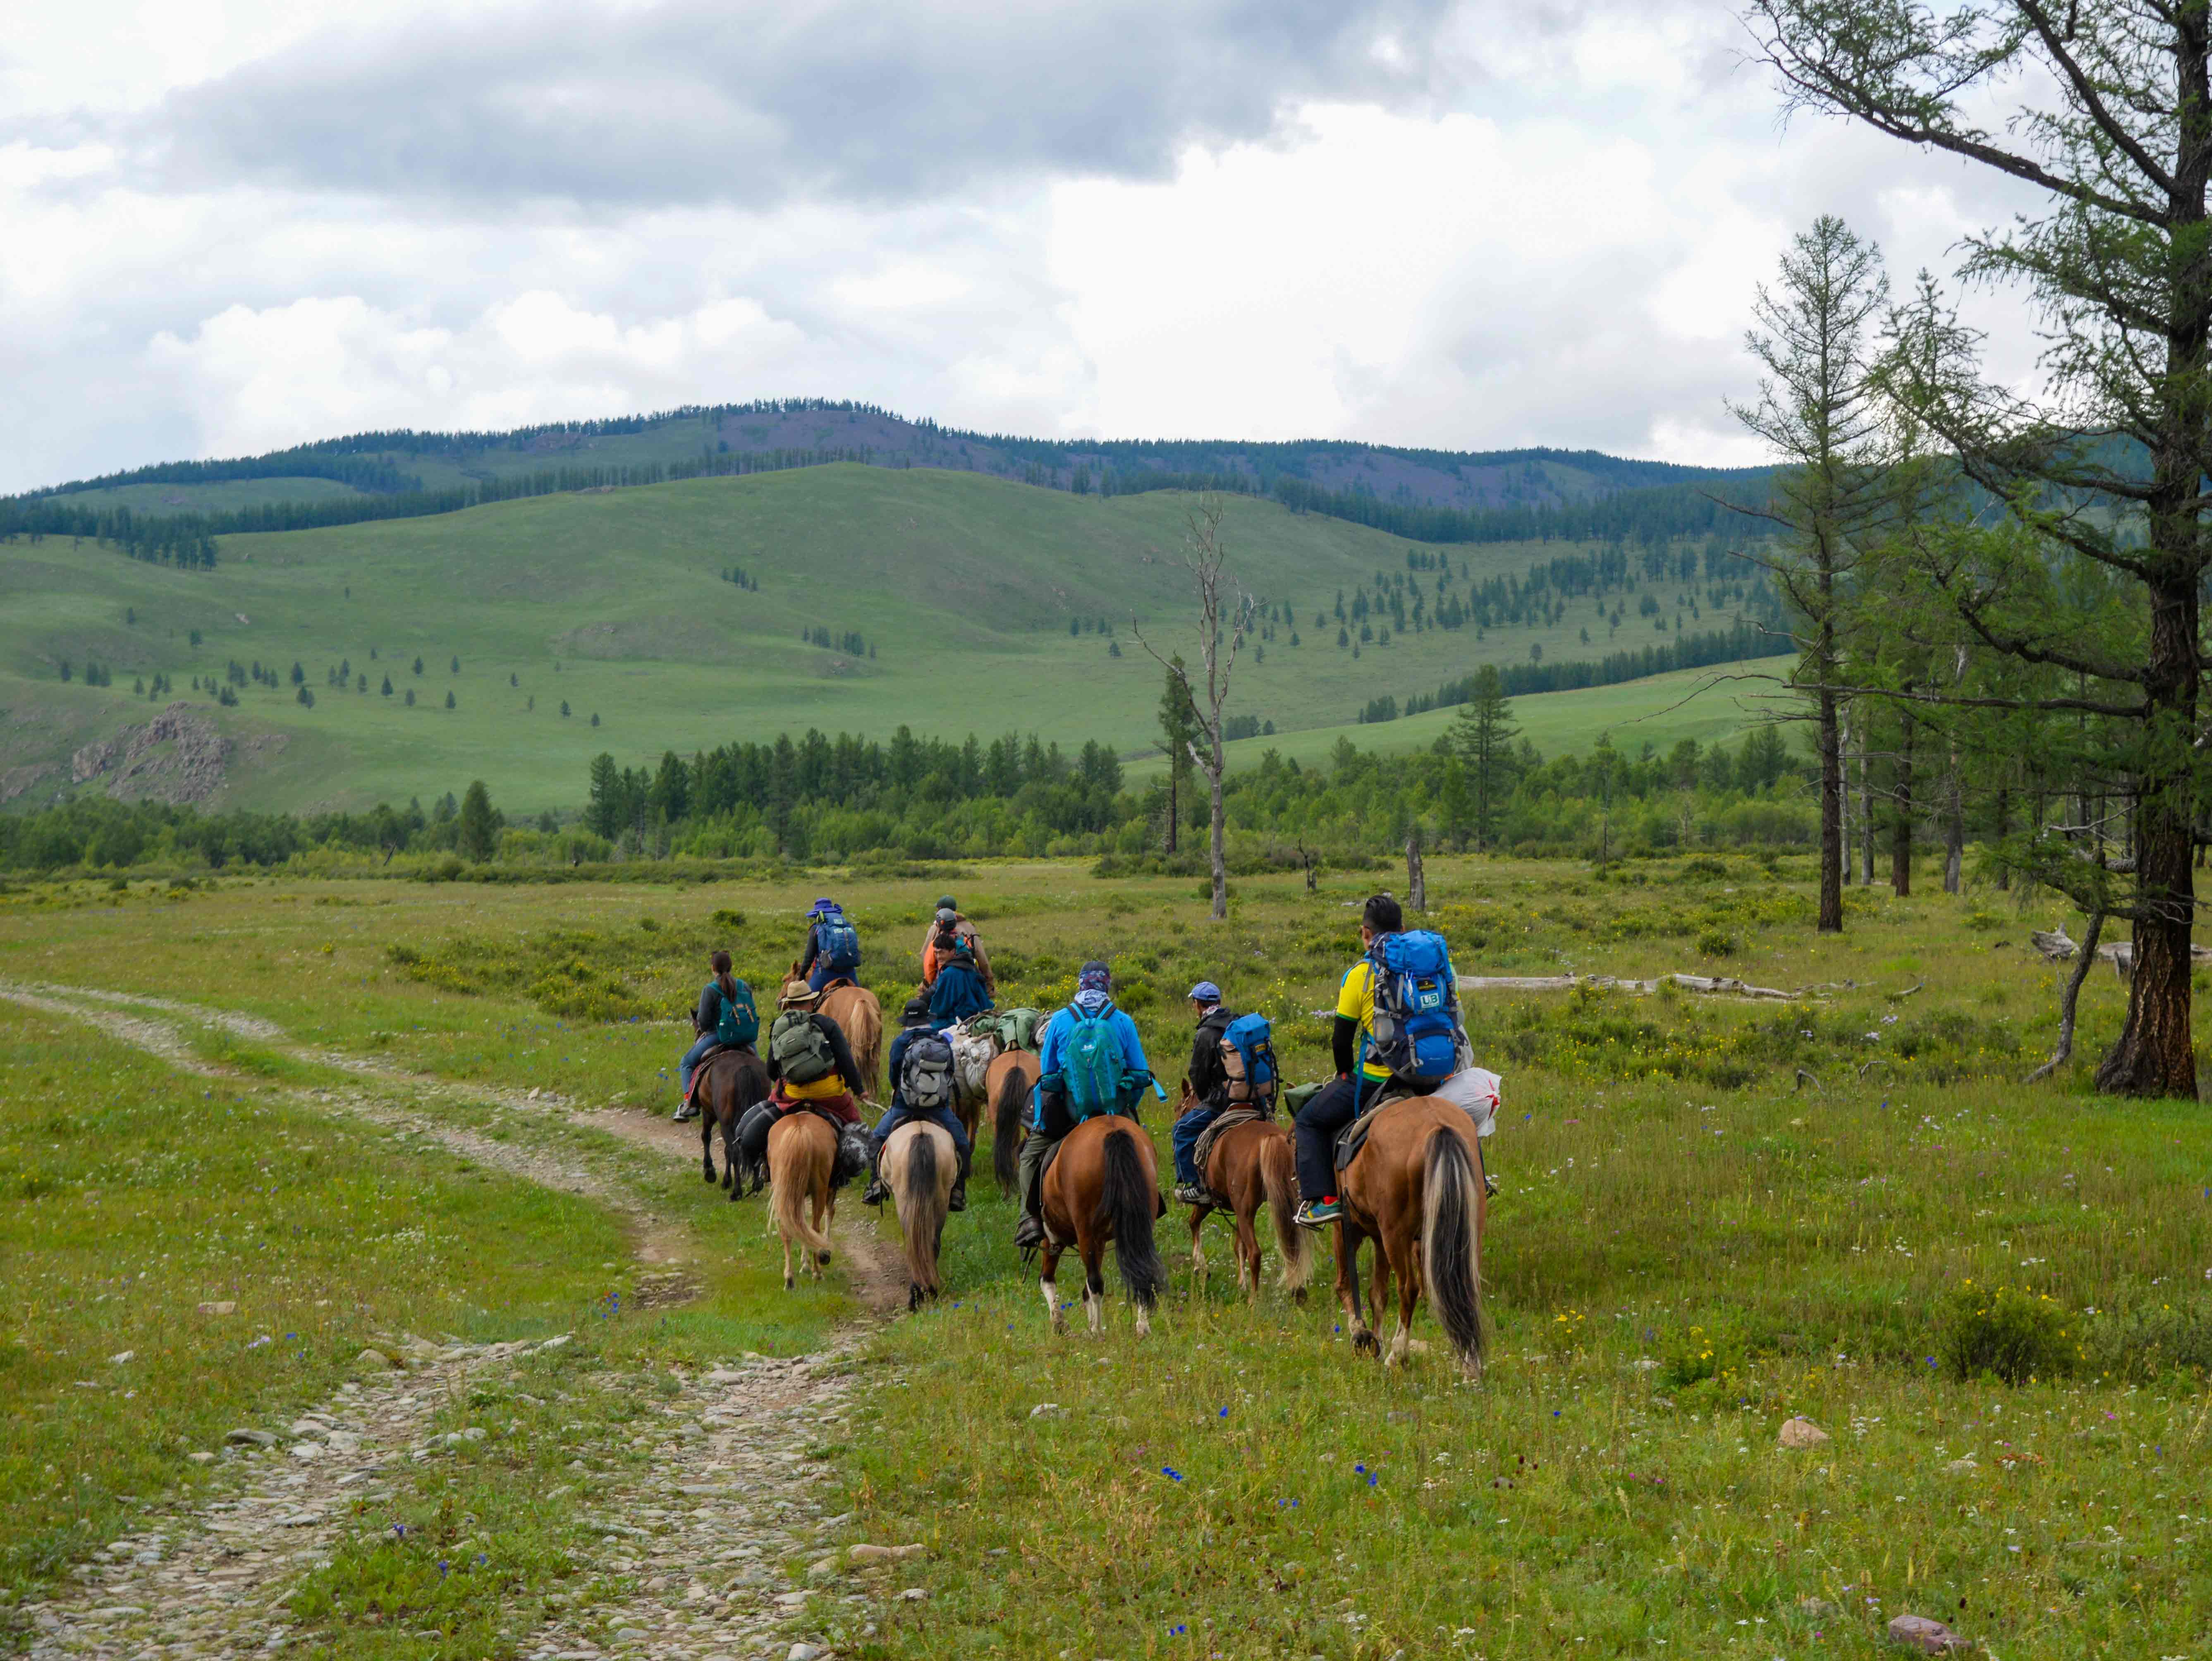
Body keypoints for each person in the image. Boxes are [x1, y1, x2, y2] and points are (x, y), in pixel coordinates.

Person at [1292, 893, 1453, 1228]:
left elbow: (1341, 1039)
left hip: (1378, 1080)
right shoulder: (1436, 967)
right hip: (1434, 1076)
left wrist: (1344, 1073)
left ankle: (1324, 1201)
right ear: (1403, 929)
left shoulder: (1360, 975)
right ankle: (1479, 1180)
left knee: (1308, 1121)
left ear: (1365, 933)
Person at [1014, 960, 1154, 1252]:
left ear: (1080, 984)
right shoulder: (1123, 1021)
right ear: (1107, 985)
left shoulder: (1060, 1020)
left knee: (1029, 1157)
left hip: (1070, 1112)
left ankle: (1029, 1221)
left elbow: (1048, 1075)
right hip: (1115, 1111)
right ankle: (1153, 1205)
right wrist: (1125, 1106)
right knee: (1143, 1155)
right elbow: (1140, 1074)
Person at [863, 996, 973, 1212]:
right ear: (927, 1019)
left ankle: (876, 1185)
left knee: (877, 1139)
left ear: (907, 1022)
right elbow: (950, 1073)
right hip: (938, 1108)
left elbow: (894, 1076)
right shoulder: (941, 1041)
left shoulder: (900, 1043)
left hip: (905, 1106)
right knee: (962, 1143)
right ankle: (958, 1190)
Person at [1169, 981, 1237, 1206]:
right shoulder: (1235, 1023)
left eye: (1194, 1003)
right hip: (1250, 1097)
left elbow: (1197, 1073)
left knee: (1181, 1130)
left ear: (1198, 1005)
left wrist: (1204, 1095)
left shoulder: (1206, 1033)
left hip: (1220, 1102)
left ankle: (1195, 1187)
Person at [673, 950, 755, 1122]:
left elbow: (703, 1023)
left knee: (686, 1063)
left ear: (713, 968)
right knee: (759, 1066)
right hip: (745, 1037)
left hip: (719, 1036)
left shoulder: (710, 990)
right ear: (731, 967)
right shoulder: (744, 986)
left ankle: (690, 1103)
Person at [925, 923, 995, 1026]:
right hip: (979, 1015)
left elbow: (940, 1009)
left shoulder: (948, 975)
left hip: (960, 1019)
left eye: (942, 953)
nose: (938, 957)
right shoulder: (970, 966)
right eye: (936, 953)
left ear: (953, 951)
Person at [919, 895, 994, 990]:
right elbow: (981, 956)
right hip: (967, 978)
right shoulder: (969, 927)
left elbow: (927, 959)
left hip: (942, 981)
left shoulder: (936, 928)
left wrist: (932, 985)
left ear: (941, 910)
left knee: (920, 997)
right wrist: (989, 982)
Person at [798, 897, 862, 993]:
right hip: (849, 973)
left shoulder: (816, 928)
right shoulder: (846, 925)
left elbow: (809, 957)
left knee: (809, 998)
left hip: (825, 973)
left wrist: (802, 974)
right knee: (861, 995)